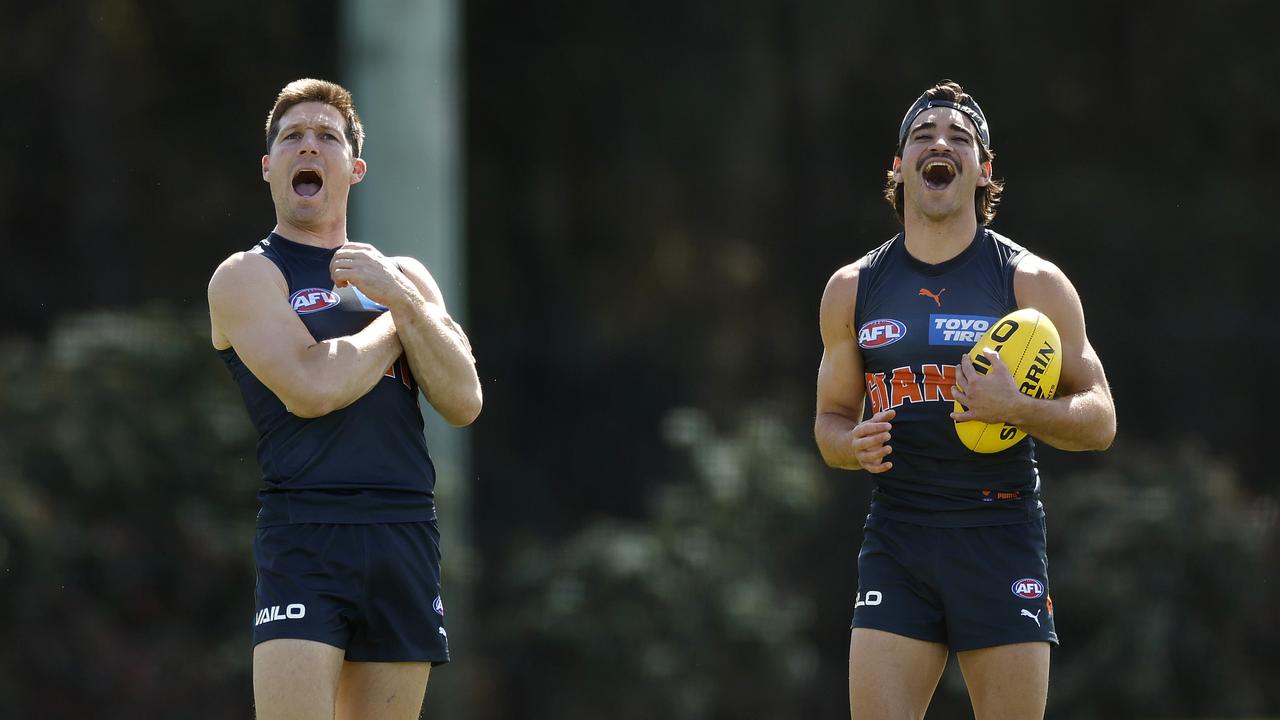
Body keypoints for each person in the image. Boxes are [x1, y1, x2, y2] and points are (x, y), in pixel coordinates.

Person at [814, 80, 1116, 720]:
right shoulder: (852, 289)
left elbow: (1101, 418)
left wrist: (1021, 410)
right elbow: (830, 422)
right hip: (898, 537)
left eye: (959, 138)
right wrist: (850, 444)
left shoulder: (1032, 283)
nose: (940, 144)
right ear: (899, 168)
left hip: (999, 534)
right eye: (922, 137)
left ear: (984, 171)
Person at [207, 78, 482, 720]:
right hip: (307, 532)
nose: (310, 146)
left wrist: (404, 295)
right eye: (293, 137)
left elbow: (463, 398)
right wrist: (401, 319)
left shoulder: (404, 276)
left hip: (404, 529)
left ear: (353, 169)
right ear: (269, 166)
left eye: (327, 137)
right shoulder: (247, 275)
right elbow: (313, 388)